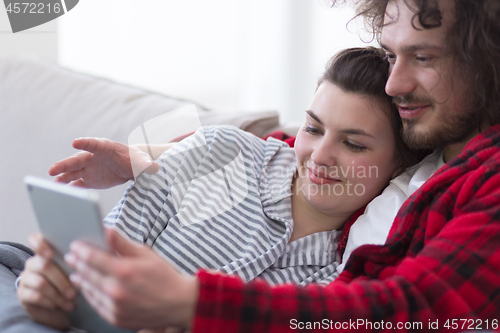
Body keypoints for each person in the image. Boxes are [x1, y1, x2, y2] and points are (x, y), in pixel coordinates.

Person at [19, 0, 500, 330]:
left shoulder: (345, 264)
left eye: (422, 56)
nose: (397, 83)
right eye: (395, 54)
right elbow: (277, 147)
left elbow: (411, 311)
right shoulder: (431, 139)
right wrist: (149, 157)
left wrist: (189, 305)